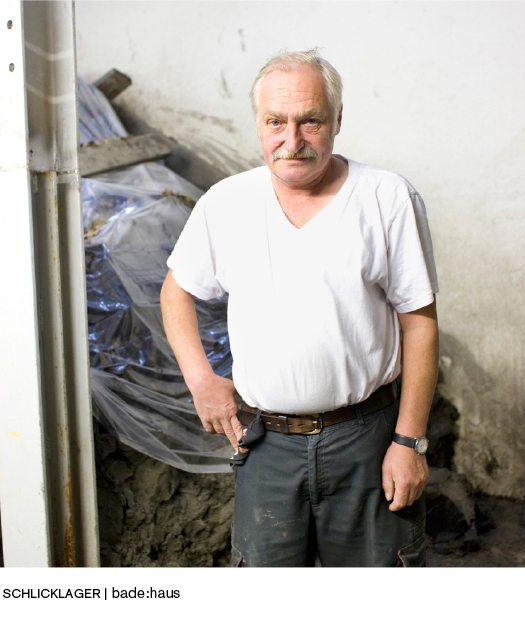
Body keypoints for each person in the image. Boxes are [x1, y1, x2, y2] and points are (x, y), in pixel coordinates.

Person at [160, 49, 439, 567]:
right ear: (258, 123)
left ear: (337, 119)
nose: (292, 141)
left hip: (367, 441)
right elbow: (175, 292)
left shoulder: (387, 197)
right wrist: (201, 381)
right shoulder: (226, 203)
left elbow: (419, 324)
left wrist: (410, 442)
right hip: (266, 448)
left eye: (310, 121)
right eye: (276, 122)